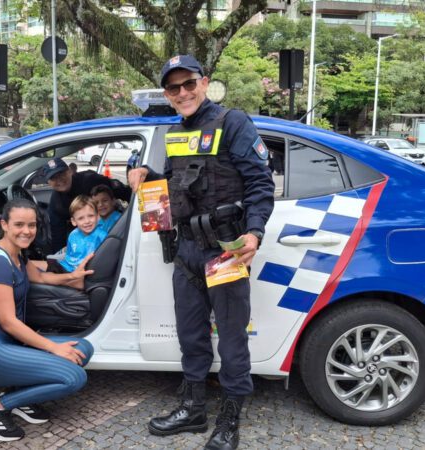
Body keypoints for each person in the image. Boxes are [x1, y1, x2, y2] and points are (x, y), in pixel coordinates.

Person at [128, 55, 275, 450]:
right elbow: (180, 185)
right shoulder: (174, 132)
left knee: (230, 340)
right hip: (188, 250)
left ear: (204, 82)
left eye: (189, 84)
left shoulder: (233, 122)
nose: (183, 93)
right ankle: (192, 409)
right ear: (167, 94)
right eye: (174, 88)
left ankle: (229, 419)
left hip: (225, 251)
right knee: (190, 336)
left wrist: (255, 232)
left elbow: (260, 184)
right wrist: (149, 178)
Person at [0, 198, 95, 442]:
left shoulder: (17, 256)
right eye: (19, 224)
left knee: (83, 348)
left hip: (10, 342)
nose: (27, 231)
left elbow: (43, 278)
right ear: (4, 224)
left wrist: (74, 276)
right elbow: (7, 321)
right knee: (74, 377)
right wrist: (53, 347)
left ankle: (21, 397)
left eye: (32, 225)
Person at [41, 157, 131, 252]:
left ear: (69, 171)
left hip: (115, 229)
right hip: (89, 238)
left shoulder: (91, 180)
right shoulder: (56, 204)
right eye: (53, 178)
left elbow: (123, 191)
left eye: (61, 174)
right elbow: (57, 236)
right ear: (49, 182)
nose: (59, 180)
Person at [45, 195, 108, 274]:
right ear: (74, 221)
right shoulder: (73, 235)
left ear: (98, 216)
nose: (87, 221)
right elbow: (69, 255)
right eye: (81, 218)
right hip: (70, 266)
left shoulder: (102, 236)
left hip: (87, 269)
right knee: (51, 264)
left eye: (91, 216)